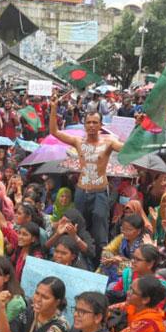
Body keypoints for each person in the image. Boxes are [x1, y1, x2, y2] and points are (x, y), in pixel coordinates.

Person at [49, 93, 125, 256]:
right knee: (78, 228)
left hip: (99, 193)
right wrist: (54, 108)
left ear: (100, 125)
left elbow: (127, 149)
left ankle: (101, 263)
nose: (91, 125)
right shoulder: (78, 142)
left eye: (95, 122)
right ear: (84, 125)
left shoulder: (109, 142)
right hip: (81, 192)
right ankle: (80, 259)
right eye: (88, 122)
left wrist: (140, 128)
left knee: (100, 230)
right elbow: (54, 131)